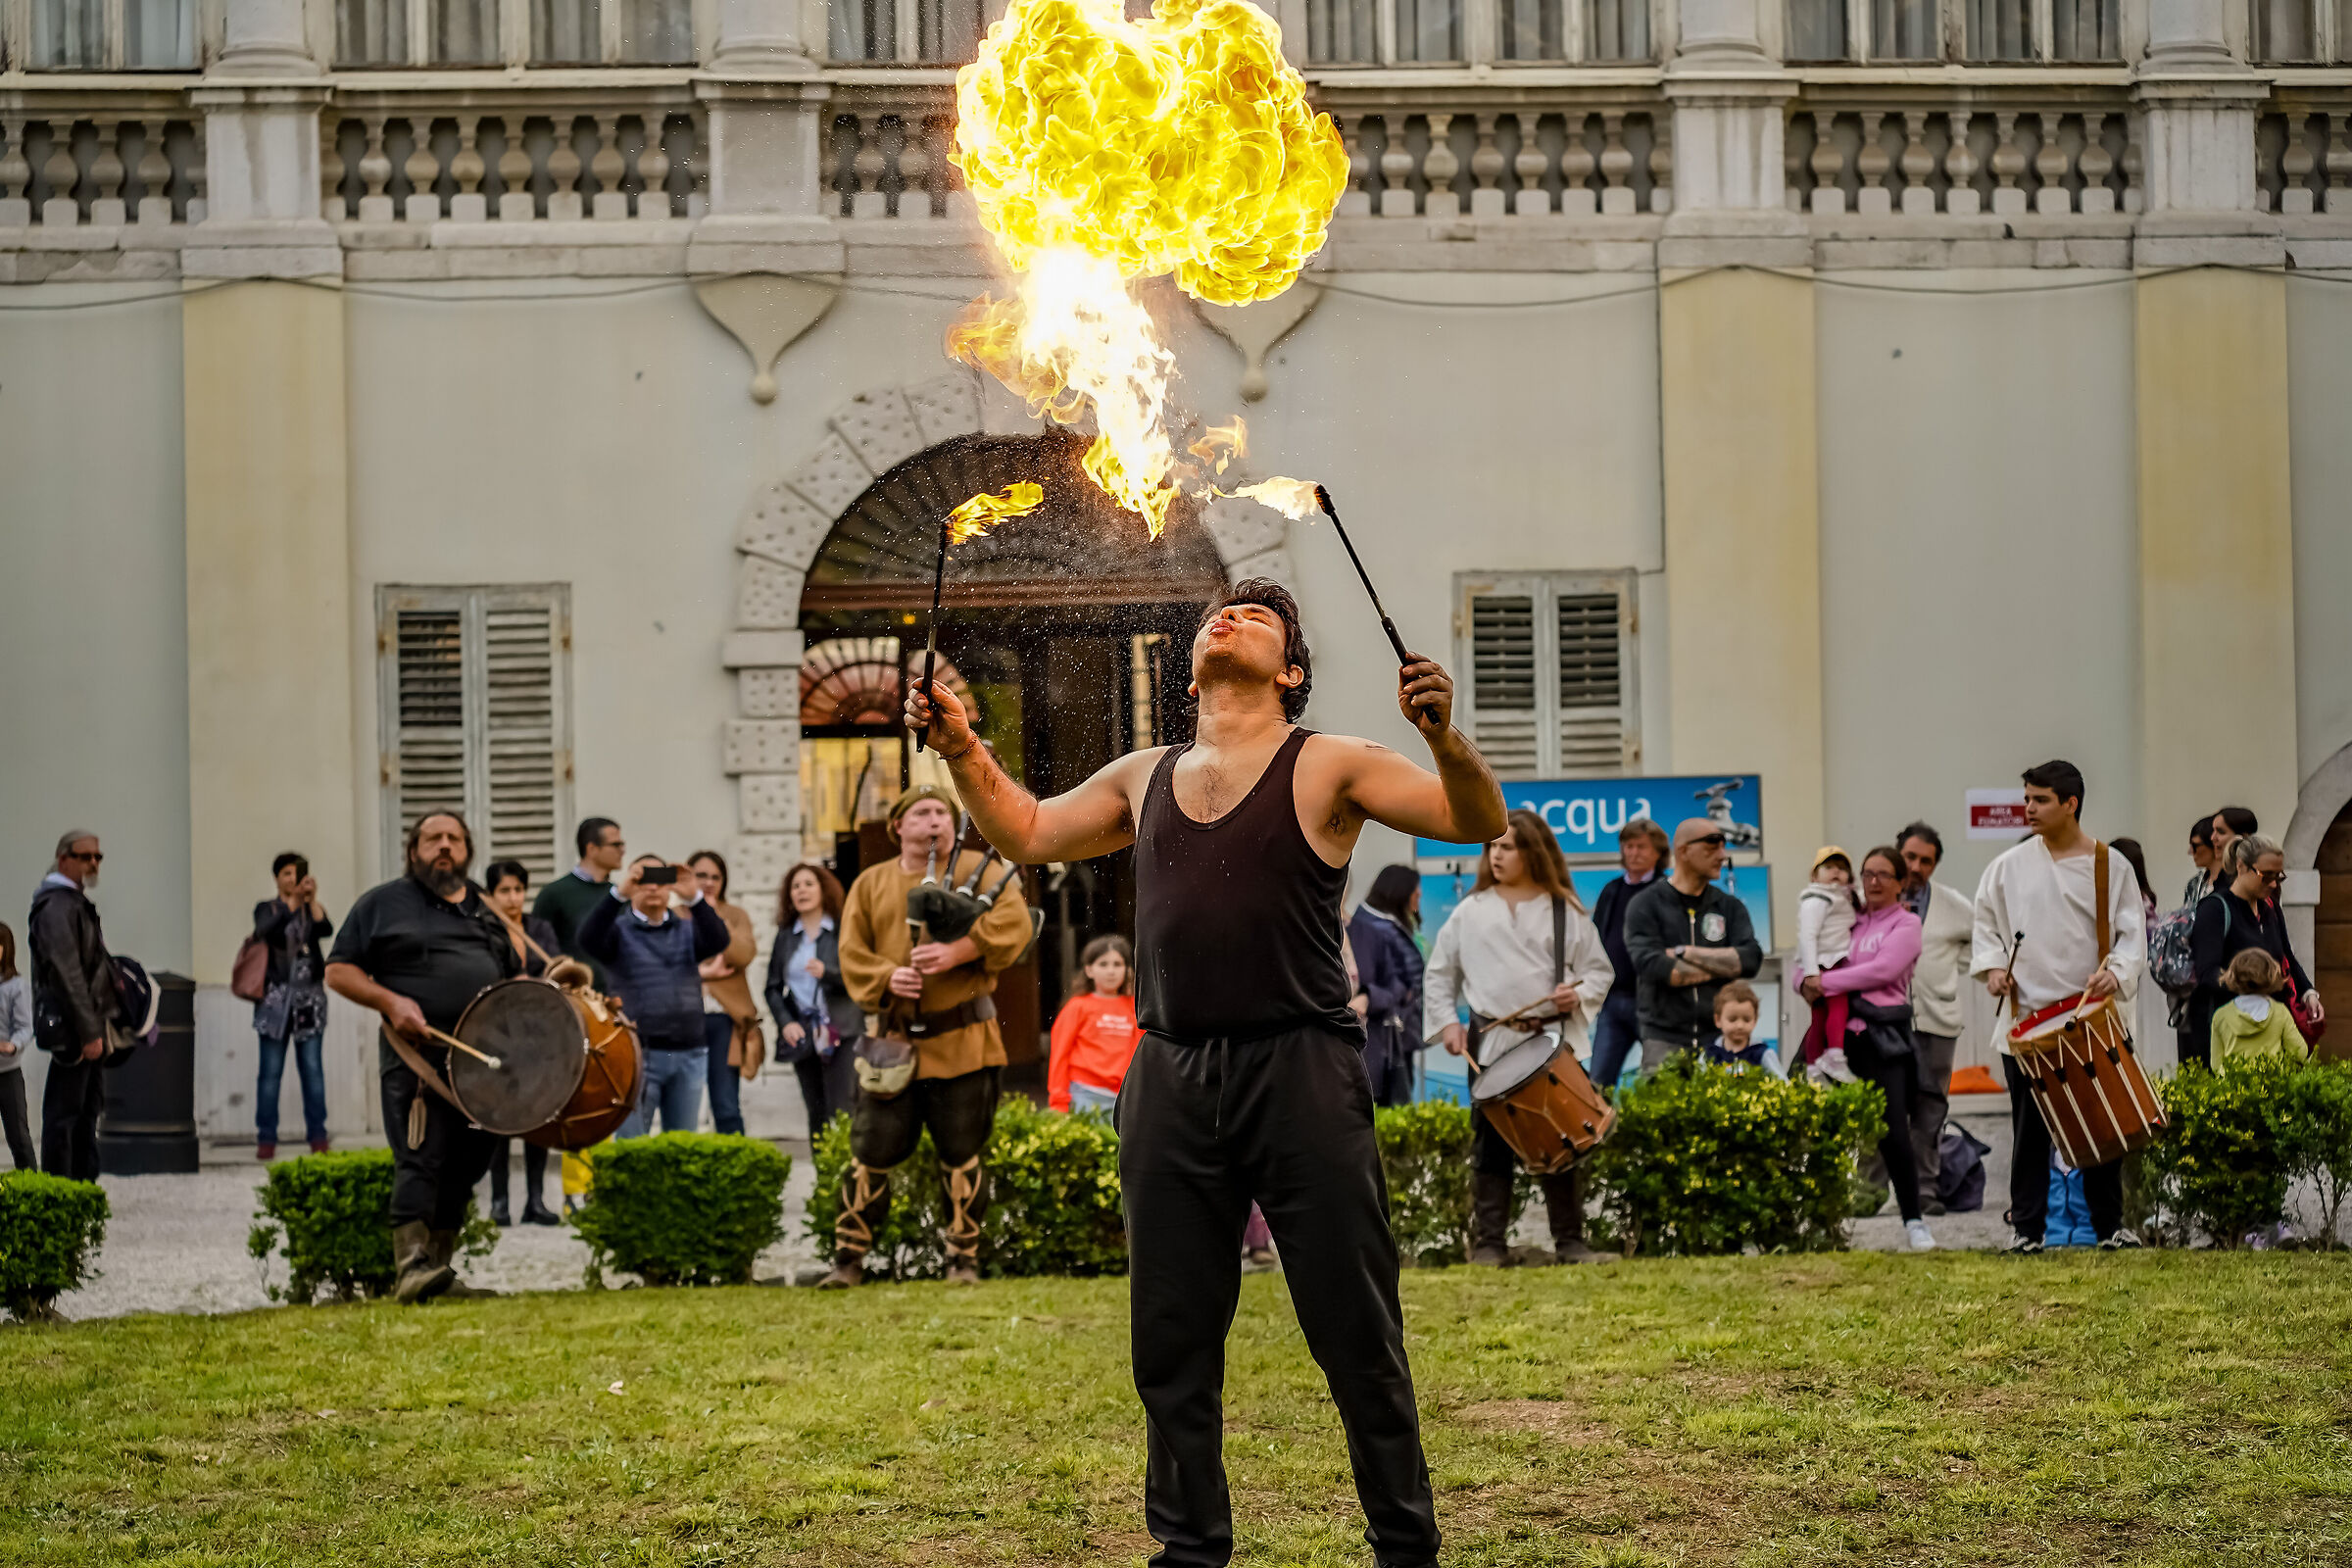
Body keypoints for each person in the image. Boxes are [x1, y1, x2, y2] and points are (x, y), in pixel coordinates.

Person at [909, 576, 1505, 1568]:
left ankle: (1406, 1546)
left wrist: (1444, 733)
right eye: (1215, 616)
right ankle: (1188, 1550)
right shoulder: (1144, 773)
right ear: (1189, 668)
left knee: (1355, 1329)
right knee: (1172, 1338)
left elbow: (1471, 818)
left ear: (1293, 669)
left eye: (1259, 618)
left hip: (1302, 1067)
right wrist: (965, 744)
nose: (1227, 619)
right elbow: (1028, 831)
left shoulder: (1334, 763)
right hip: (1171, 1072)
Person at [827, 785, 1033, 1289]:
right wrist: (886, 978)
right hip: (892, 1046)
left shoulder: (976, 871)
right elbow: (851, 953)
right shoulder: (871, 883)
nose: (935, 821)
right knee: (871, 1151)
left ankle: (962, 1261)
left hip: (964, 1042)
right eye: (921, 813)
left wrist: (960, 951)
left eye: (942, 812)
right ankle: (848, 1260)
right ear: (899, 827)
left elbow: (1016, 926)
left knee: (962, 1153)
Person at [324, 811, 518, 1302]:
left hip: (483, 1063)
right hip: (418, 1061)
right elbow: (339, 971)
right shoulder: (383, 904)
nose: (445, 846)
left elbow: (515, 981)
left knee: (467, 1166)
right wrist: (390, 1001)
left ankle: (439, 1273)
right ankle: (410, 1267)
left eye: (454, 838)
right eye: (433, 838)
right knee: (420, 1157)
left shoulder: (487, 911)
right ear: (414, 851)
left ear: (468, 851)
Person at [1970, 760, 2148, 1254]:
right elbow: (1985, 927)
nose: (2028, 808)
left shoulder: (2111, 865)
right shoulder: (2007, 867)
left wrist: (2116, 971)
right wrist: (1992, 970)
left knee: (2100, 1124)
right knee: (2029, 1132)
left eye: (2040, 799)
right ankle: (2027, 1230)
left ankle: (2109, 1226)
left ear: (2071, 804)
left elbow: (2133, 934)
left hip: (2090, 1018)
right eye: (2026, 798)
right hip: (2026, 1022)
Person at [1423, 808, 1614, 1266]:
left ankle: (1569, 1242)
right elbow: (1439, 975)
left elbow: (1599, 973)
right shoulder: (1470, 912)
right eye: (1493, 847)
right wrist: (1448, 1022)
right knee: (1490, 1148)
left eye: (1507, 847)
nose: (1496, 855)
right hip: (1491, 1044)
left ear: (1533, 852)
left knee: (1562, 1142)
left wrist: (1577, 995)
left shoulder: (1563, 908)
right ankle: (1489, 1244)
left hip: (1551, 1043)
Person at [1805, 846, 1936, 1251]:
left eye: (1883, 875)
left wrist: (1824, 983)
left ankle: (1914, 1221)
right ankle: (1818, 1220)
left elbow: (1884, 971)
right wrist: (1804, 979)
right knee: (1818, 1129)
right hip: (1834, 1039)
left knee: (1894, 1133)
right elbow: (1806, 958)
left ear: (1901, 883)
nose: (1873, 882)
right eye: (1867, 874)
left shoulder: (1906, 923)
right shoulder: (1847, 918)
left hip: (1882, 1040)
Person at [580, 856, 733, 1138]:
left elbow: (719, 940)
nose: (652, 887)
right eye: (643, 879)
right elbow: (587, 938)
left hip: (689, 1053)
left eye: (660, 879)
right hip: (639, 1055)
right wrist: (618, 895)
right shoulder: (618, 933)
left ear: (669, 886)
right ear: (632, 885)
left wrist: (694, 899)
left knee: (681, 1149)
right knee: (632, 1148)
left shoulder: (686, 929)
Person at [1622, 818, 1764, 1074]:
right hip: (1663, 1041)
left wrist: (1685, 953)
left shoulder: (1730, 907)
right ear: (1683, 851)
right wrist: (1726, 965)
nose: (1722, 855)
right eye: (1711, 847)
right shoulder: (1645, 904)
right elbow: (1658, 967)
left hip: (1719, 1042)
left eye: (1723, 847)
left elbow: (1751, 960)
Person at [2186, 833, 2322, 1068]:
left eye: (2278, 877)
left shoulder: (2269, 908)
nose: (2273, 884)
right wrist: (2253, 989)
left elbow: (2286, 956)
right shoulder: (2215, 909)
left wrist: (2308, 993)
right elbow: (2207, 972)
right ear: (2241, 867)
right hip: (2229, 1034)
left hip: (2272, 1034)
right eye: (2265, 876)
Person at [29, 830, 120, 1181]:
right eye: (85, 857)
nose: (93, 863)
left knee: (86, 1112)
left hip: (85, 1024)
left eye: (98, 857)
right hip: (73, 1029)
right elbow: (67, 974)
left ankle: (83, 1191)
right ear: (63, 858)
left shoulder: (72, 902)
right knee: (64, 1117)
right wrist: (89, 1032)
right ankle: (62, 1194)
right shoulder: (55, 906)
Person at [480, 859, 562, 1227]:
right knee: (499, 1120)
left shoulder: (539, 929)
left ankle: (536, 1200)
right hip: (499, 1035)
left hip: (537, 1036)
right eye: (504, 891)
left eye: (517, 890)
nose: (513, 898)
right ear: (490, 895)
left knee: (538, 1117)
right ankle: (499, 1202)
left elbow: (553, 973)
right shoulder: (483, 931)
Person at [1896, 821, 1972, 1210]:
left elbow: (1986, 936)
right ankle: (1871, 1194)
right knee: (1882, 1105)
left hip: (1937, 1020)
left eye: (1926, 861)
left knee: (1931, 1109)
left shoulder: (1954, 904)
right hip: (1885, 1022)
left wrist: (1954, 966)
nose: (1917, 866)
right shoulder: (1873, 897)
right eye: (1910, 856)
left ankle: (1924, 1193)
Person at [765, 861, 860, 1142]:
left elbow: (860, 977)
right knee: (816, 1112)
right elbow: (772, 988)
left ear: (823, 890)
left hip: (840, 1032)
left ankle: (847, 1182)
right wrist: (786, 1023)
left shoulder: (843, 929)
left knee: (843, 1110)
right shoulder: (785, 936)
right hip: (804, 1033)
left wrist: (828, 973)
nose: (801, 891)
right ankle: (822, 1182)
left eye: (808, 884)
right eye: (795, 886)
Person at [250, 853, 334, 1160]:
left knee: (312, 1070)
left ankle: (318, 1136)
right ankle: (266, 1138)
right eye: (287, 874)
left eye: (297, 874)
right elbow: (267, 930)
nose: (292, 880)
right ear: (276, 878)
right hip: (274, 1002)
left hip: (309, 1000)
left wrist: (312, 900)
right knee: (270, 1073)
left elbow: (326, 929)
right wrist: (293, 903)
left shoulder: (310, 910)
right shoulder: (267, 908)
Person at [686, 851, 761, 1137]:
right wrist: (703, 973)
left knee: (726, 1105)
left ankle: (735, 1175)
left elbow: (743, 954)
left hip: (722, 1019)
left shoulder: (734, 915)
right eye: (701, 875)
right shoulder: (675, 914)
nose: (708, 882)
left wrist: (713, 917)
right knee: (684, 1106)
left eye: (716, 877)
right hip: (682, 1018)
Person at [1589, 817, 1666, 1092]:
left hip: (1655, 1003)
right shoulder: (1612, 890)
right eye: (1628, 846)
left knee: (1657, 1083)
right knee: (1597, 1083)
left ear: (1657, 852)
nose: (1633, 853)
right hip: (1612, 1001)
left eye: (1640, 847)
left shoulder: (1666, 892)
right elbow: (1595, 939)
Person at [1348, 865, 1424, 1107]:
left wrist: (1374, 997)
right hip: (1372, 1039)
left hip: (1394, 1032)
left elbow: (1397, 984)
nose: (1419, 897)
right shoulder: (1375, 929)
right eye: (1415, 893)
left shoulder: (1377, 928)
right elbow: (1399, 984)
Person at [1049, 934, 1140, 1113]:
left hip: (1126, 1096)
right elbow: (1060, 1054)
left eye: (1117, 964)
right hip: (1085, 1094)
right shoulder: (1077, 1007)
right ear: (1089, 970)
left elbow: (1142, 1051)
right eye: (1103, 964)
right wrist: (1058, 1101)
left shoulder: (1135, 1008)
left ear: (1127, 970)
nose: (1111, 971)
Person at [533, 816, 625, 990]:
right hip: (575, 999)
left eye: (622, 844)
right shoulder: (553, 894)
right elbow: (539, 950)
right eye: (615, 845)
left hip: (619, 998)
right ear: (591, 849)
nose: (622, 851)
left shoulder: (619, 896)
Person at [1793, 848, 1859, 1080]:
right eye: (1829, 867)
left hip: (1828, 962)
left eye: (1842, 869)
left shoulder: (1842, 897)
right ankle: (1834, 1056)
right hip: (1825, 963)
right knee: (1839, 1008)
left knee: (1820, 1017)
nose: (1836, 872)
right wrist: (1811, 972)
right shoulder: (1817, 899)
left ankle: (1812, 1066)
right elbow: (1807, 936)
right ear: (1815, 876)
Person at [2211, 949, 2301, 1062]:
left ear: (2233, 976)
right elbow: (2300, 1052)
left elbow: (2216, 1064)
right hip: (2275, 1078)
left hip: (2233, 1079)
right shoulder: (2280, 1012)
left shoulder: (2221, 1016)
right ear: (2271, 976)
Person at [0, 924, 33, 1170]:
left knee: (19, 1137)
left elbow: (25, 1026)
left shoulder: (15, 986)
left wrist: (13, 1045)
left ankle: (31, 1186)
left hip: (7, 1073)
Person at [1701, 979, 1781, 1075]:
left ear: (1755, 1020)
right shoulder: (1709, 1054)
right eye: (1732, 1019)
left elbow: (1783, 1084)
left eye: (1747, 1020)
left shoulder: (1763, 1054)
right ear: (1718, 1020)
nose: (1740, 1026)